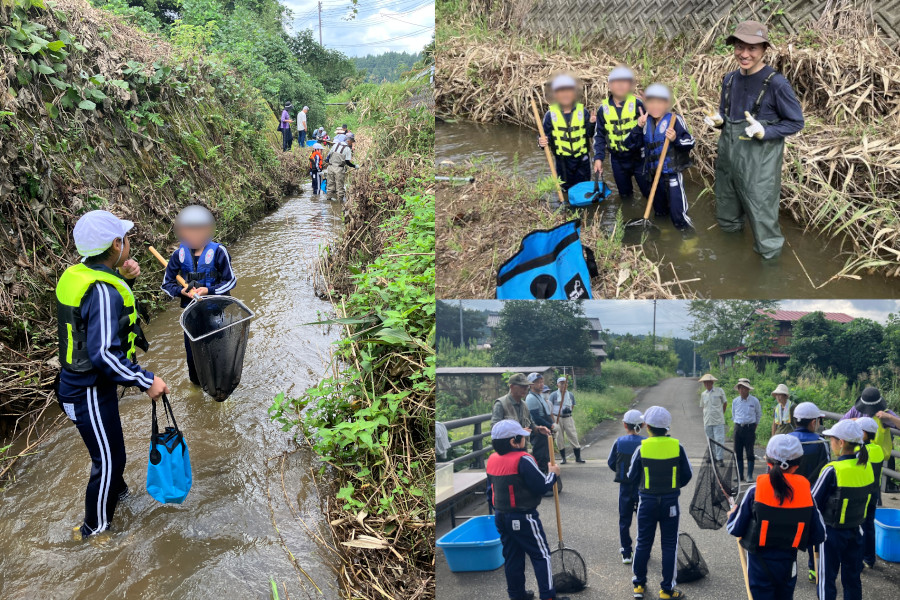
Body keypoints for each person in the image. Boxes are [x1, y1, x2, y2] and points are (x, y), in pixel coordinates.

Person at [56, 210, 168, 539]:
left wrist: (126, 279)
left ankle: (118, 499)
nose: (129, 242)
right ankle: (94, 531)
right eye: (125, 237)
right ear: (117, 244)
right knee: (108, 461)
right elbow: (103, 353)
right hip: (86, 390)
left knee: (110, 455)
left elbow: (94, 320)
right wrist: (146, 380)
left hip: (83, 387)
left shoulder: (81, 274)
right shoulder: (102, 291)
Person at [705, 20, 804, 260]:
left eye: (752, 48)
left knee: (762, 220)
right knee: (727, 213)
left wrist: (765, 131)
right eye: (740, 47)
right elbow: (726, 114)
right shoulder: (729, 80)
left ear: (763, 50)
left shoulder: (776, 83)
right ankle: (731, 261)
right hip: (728, 160)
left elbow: (796, 122)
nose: (744, 54)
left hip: (759, 167)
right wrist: (720, 123)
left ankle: (768, 277)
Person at [726, 435, 826, 600]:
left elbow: (734, 528)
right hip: (788, 565)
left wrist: (732, 514)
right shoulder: (806, 493)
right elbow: (820, 534)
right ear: (798, 465)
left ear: (767, 461)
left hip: (759, 566)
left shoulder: (755, 491)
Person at [486, 419, 568, 600]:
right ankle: (548, 596)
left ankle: (517, 595)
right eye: (522, 438)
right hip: (524, 517)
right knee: (542, 555)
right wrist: (553, 474)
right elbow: (542, 486)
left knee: (512, 556)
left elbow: (489, 491)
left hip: (500, 515)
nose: (525, 441)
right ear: (514, 441)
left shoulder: (492, 460)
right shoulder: (523, 459)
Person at [161, 205, 237, 385]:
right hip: (192, 315)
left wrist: (208, 291)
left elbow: (231, 281)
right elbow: (167, 284)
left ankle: (220, 386)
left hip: (216, 312)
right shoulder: (178, 255)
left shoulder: (219, 251)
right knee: (193, 355)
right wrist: (180, 291)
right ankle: (197, 387)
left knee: (218, 352)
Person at [627, 406, 693, 600]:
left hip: (646, 502)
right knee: (669, 545)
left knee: (643, 543)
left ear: (647, 426)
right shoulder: (677, 446)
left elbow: (631, 475)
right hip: (670, 502)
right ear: (667, 427)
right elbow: (687, 474)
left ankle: (638, 585)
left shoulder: (642, 447)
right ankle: (666, 590)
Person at [813, 419, 873, 600]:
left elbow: (813, 500)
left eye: (832, 439)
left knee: (826, 579)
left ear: (841, 442)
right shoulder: (866, 466)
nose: (830, 443)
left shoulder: (832, 469)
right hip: (856, 530)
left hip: (831, 533)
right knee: (853, 578)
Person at [623, 83, 695, 231]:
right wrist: (638, 127)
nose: (655, 107)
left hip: (671, 176)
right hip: (653, 176)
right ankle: (665, 232)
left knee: (678, 213)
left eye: (659, 102)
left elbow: (690, 142)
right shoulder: (644, 122)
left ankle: (688, 239)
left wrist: (676, 139)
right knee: (660, 212)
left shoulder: (675, 120)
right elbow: (629, 145)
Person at [787, 401, 831, 582]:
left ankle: (790, 569)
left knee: (789, 535)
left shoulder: (787, 440)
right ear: (813, 422)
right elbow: (826, 472)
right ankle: (814, 570)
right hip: (813, 498)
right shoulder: (821, 443)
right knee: (814, 534)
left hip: (788, 497)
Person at [592, 65, 650, 201]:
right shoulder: (603, 109)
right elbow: (599, 135)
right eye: (616, 82)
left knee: (648, 191)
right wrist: (598, 158)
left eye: (624, 82)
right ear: (609, 85)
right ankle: (627, 217)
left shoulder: (638, 104)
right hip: (617, 159)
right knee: (624, 195)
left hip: (639, 157)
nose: (620, 85)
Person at [538, 74, 595, 192]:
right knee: (566, 189)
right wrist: (541, 142)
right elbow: (544, 137)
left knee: (584, 188)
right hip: (562, 162)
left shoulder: (582, 112)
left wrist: (591, 123)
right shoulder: (550, 115)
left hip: (582, 160)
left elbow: (589, 134)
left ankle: (585, 210)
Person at [842, 386, 898, 492]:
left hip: (874, 457)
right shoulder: (856, 410)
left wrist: (890, 418)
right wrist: (857, 420)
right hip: (856, 453)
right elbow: (841, 424)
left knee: (872, 485)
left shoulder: (885, 414)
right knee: (858, 483)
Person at [607, 409, 644, 565]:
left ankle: (626, 552)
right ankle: (642, 550)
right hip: (642, 487)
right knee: (642, 519)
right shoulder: (645, 443)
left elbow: (611, 462)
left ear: (624, 424)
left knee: (624, 519)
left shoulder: (619, 441)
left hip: (625, 486)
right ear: (642, 425)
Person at [857, 416, 885, 568]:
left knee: (859, 527)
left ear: (864, 433)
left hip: (862, 494)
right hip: (874, 493)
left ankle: (859, 560)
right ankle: (869, 558)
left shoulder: (861, 450)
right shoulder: (878, 449)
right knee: (869, 525)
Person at [731, 378, 762, 483]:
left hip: (750, 428)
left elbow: (758, 414)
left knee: (750, 452)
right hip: (738, 427)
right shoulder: (735, 401)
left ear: (748, 389)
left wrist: (754, 426)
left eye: (744, 388)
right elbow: (733, 414)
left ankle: (749, 475)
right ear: (738, 389)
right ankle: (740, 475)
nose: (742, 390)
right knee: (738, 452)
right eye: (740, 388)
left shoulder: (754, 401)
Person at [550, 376, 584, 464]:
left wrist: (568, 411)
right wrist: (553, 420)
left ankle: (578, 457)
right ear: (558, 385)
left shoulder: (570, 395)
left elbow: (572, 405)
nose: (563, 385)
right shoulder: (553, 395)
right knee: (559, 438)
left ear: (567, 385)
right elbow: (550, 408)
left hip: (568, 417)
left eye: (565, 383)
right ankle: (563, 458)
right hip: (557, 418)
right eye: (561, 383)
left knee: (573, 435)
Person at [525, 372, 553, 474]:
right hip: (539, 431)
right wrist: (551, 425)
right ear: (531, 384)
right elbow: (536, 418)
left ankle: (547, 475)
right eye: (537, 382)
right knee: (541, 456)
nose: (541, 384)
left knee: (546, 455)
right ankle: (542, 476)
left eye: (542, 382)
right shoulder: (531, 398)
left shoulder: (539, 396)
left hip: (545, 431)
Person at [698, 374, 727, 465]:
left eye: (708, 382)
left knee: (719, 439)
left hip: (718, 420)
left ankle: (720, 458)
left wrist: (721, 413)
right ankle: (712, 456)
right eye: (705, 383)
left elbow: (725, 403)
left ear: (712, 382)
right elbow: (703, 407)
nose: (706, 384)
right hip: (707, 421)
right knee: (710, 439)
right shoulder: (703, 394)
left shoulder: (719, 391)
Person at [324, 132, 358, 203]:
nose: (352, 144)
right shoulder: (347, 149)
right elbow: (347, 162)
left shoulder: (335, 145)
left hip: (330, 167)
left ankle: (328, 202)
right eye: (352, 142)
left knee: (330, 186)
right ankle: (339, 204)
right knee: (340, 187)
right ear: (348, 141)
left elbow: (327, 158)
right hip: (339, 169)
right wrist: (354, 166)